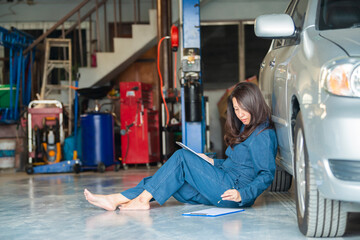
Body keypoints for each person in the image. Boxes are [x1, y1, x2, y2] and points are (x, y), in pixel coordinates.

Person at [84, 82, 277, 211]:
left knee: (182, 157)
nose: (240, 113)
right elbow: (236, 164)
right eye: (236, 109)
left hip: (233, 193)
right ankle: (116, 199)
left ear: (254, 103)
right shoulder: (247, 126)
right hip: (225, 182)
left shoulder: (263, 134)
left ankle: (141, 201)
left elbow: (266, 175)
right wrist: (210, 161)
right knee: (168, 179)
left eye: (243, 108)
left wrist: (243, 194)